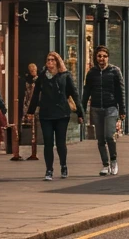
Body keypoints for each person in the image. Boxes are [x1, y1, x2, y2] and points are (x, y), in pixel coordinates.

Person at [28, 52, 83, 180]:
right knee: (48, 142)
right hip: (46, 114)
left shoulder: (65, 76)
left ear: (58, 62)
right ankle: (49, 170)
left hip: (61, 114)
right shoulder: (42, 77)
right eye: (48, 60)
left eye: (53, 60)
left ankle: (63, 165)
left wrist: (80, 113)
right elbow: (35, 95)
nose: (50, 62)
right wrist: (30, 112)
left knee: (60, 143)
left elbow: (74, 95)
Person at [82, 45, 125, 176]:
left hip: (111, 107)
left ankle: (113, 160)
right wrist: (82, 110)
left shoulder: (115, 71)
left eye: (104, 56)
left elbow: (120, 91)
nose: (102, 59)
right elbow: (86, 92)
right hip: (96, 108)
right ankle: (105, 165)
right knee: (100, 139)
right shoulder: (91, 73)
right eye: (99, 56)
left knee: (109, 136)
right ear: (96, 58)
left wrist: (122, 110)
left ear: (108, 57)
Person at [12, 62, 40, 162]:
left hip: (34, 106)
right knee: (22, 128)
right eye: (31, 70)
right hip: (25, 105)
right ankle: (18, 152)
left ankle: (33, 153)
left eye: (34, 70)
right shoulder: (24, 81)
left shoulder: (38, 80)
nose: (33, 72)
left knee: (33, 130)